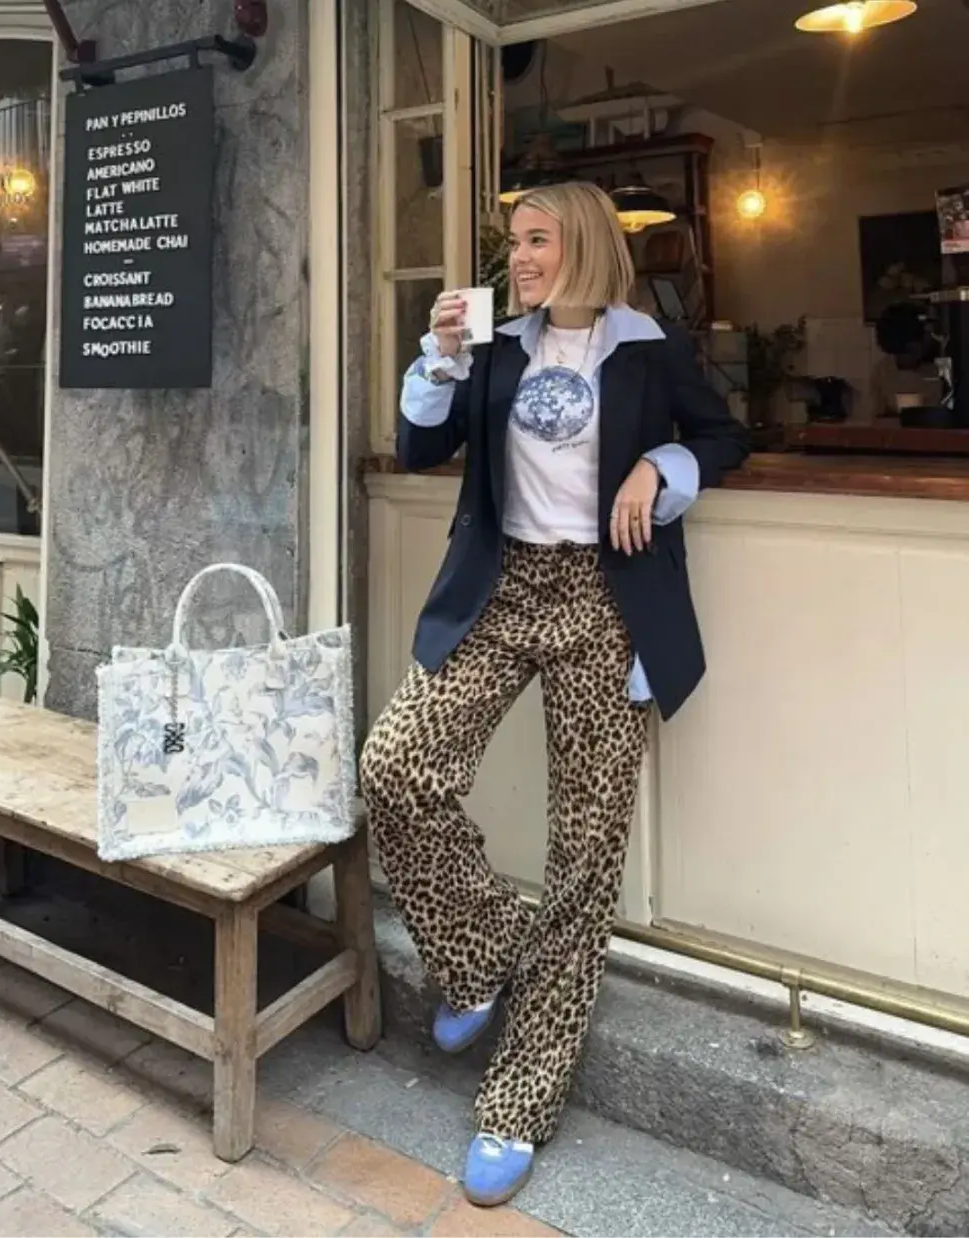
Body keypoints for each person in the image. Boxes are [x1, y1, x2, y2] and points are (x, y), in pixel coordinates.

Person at [359, 181, 749, 1208]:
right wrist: (436, 357)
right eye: (513, 241)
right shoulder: (492, 345)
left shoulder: (647, 344)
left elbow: (724, 434)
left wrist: (659, 468)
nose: (518, 256)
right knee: (396, 767)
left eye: (536, 239)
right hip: (501, 587)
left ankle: (520, 1099)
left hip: (603, 600)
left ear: (580, 243)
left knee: (584, 853)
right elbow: (419, 451)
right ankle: (481, 954)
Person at [870, 300, 944, 418]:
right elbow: (878, 419)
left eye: (910, 352)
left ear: (926, 336)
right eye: (898, 354)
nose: (905, 360)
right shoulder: (882, 371)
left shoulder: (947, 368)